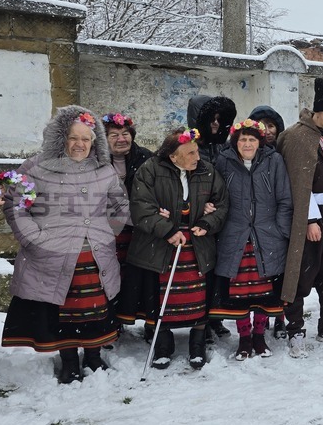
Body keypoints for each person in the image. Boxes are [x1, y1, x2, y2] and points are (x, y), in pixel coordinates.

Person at [1, 107, 129, 383]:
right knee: (65, 313)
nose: (80, 144)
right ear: (61, 138)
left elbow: (119, 204)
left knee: (94, 310)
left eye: (86, 138)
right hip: (54, 255)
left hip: (95, 254)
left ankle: (94, 357)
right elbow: (16, 207)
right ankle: (69, 361)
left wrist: (107, 232)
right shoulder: (34, 168)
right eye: (74, 138)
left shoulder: (104, 170)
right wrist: (35, 240)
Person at [117, 127, 229, 370]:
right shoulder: (150, 170)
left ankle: (197, 346)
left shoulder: (208, 171)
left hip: (197, 244)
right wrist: (166, 229)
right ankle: (163, 346)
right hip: (162, 243)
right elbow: (140, 206)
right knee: (162, 298)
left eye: (197, 151)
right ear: (173, 157)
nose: (197, 157)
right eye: (190, 153)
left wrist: (207, 223)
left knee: (198, 297)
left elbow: (222, 204)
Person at [275, 77, 323, 358]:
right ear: (318, 110)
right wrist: (310, 220)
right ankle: (295, 329)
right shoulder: (296, 136)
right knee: (300, 272)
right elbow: (296, 183)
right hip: (309, 217)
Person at [210, 119, 293, 359]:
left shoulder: (273, 161)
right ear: (235, 142)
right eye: (243, 139)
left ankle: (259, 335)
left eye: (252, 139)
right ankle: (244, 338)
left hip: (267, 236)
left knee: (264, 292)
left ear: (260, 142)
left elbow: (284, 198)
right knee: (240, 293)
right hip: (235, 236)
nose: (247, 143)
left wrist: (279, 230)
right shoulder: (223, 162)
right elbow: (214, 195)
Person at [187, 94, 237, 340]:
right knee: (200, 272)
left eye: (220, 119)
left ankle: (216, 317)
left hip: (222, 217)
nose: (215, 124)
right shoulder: (188, 146)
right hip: (197, 219)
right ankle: (201, 321)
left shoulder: (225, 146)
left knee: (219, 272)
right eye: (211, 119)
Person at [246, 104, 288, 339]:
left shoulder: (282, 154)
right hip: (254, 228)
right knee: (255, 280)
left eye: (271, 125)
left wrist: (281, 227)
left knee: (279, 277)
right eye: (262, 125)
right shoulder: (246, 153)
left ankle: (280, 318)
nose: (267, 130)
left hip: (276, 227)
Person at [101, 112, 153, 263]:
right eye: (114, 135)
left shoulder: (146, 158)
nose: (121, 139)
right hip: (107, 227)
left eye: (125, 134)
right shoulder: (96, 160)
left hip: (138, 225)